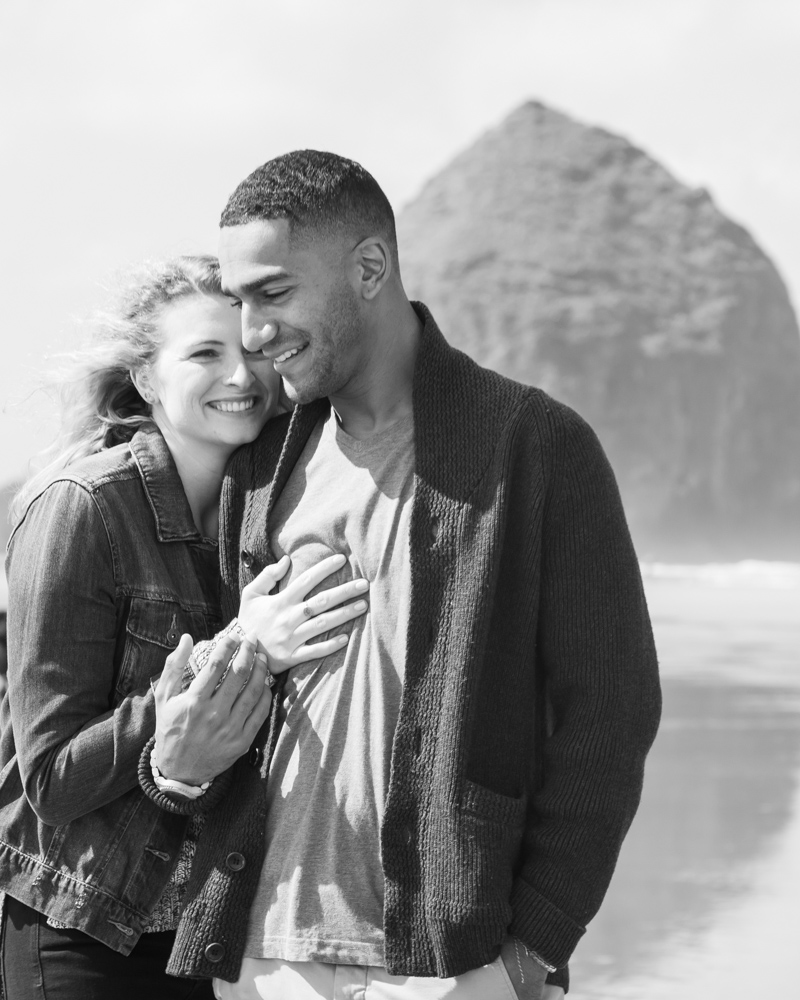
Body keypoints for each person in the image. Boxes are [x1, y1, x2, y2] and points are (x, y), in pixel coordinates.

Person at [143, 152, 662, 1000]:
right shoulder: (264, 464)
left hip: (449, 961)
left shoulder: (532, 445)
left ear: (370, 268)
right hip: (264, 953)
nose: (252, 332)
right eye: (239, 302)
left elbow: (613, 710)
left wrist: (529, 951)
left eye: (273, 293)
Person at [0, 256, 369, 999]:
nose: (242, 378)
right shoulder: (84, 507)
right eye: (206, 353)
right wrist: (238, 650)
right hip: (81, 933)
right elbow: (48, 781)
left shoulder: (271, 517)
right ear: (145, 378)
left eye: (254, 352)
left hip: (208, 939)